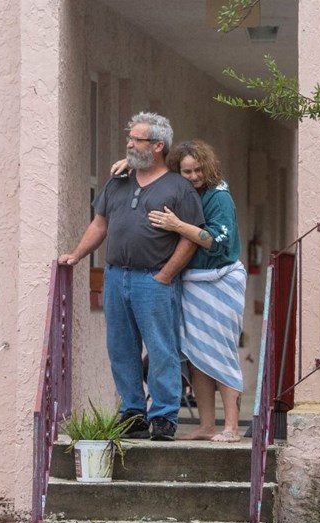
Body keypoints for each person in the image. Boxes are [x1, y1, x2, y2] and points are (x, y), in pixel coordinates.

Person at [58, 113, 204, 441]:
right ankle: (133, 411)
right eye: (130, 138)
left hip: (154, 280)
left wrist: (166, 275)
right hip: (115, 276)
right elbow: (100, 224)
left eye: (136, 139)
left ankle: (164, 415)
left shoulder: (179, 188)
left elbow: (191, 237)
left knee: (161, 347)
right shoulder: (119, 181)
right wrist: (77, 255)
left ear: (157, 146)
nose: (128, 144)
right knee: (120, 347)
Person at [115, 140, 246, 442]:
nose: (193, 176)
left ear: (208, 167)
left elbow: (217, 241)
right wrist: (130, 165)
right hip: (191, 282)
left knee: (221, 351)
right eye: (186, 171)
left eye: (198, 169)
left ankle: (230, 427)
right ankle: (206, 425)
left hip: (220, 281)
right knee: (197, 354)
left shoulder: (218, 196)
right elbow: (152, 166)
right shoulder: (182, 191)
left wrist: (177, 225)